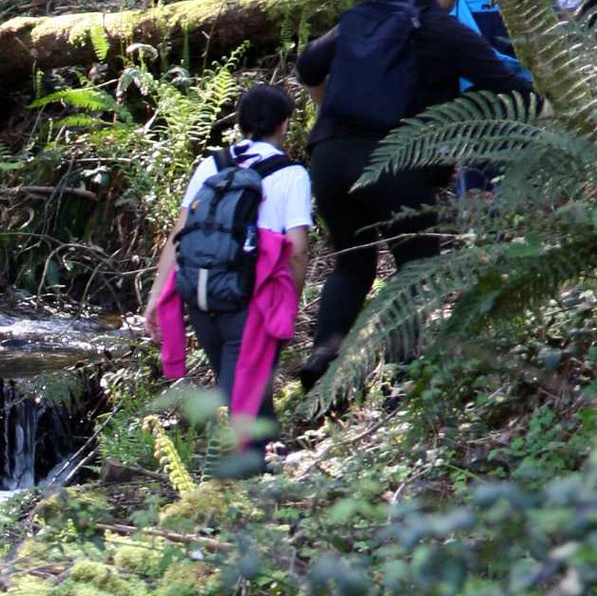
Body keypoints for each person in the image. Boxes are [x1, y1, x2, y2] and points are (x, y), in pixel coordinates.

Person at [294, 0, 536, 387]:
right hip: (394, 158)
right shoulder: (440, 28)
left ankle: (323, 358)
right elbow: (506, 85)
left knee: (351, 265)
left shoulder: (362, 16)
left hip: (329, 157)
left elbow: (307, 66)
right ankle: (400, 373)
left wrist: (331, 115)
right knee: (415, 267)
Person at [146, 85, 314, 472]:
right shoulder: (291, 174)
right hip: (251, 300)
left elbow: (180, 234)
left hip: (201, 294)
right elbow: (298, 248)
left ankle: (267, 457)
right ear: (284, 124)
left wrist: (157, 294)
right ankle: (235, 484)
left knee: (242, 381)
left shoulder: (212, 165)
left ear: (240, 122)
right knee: (238, 394)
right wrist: (290, 299)